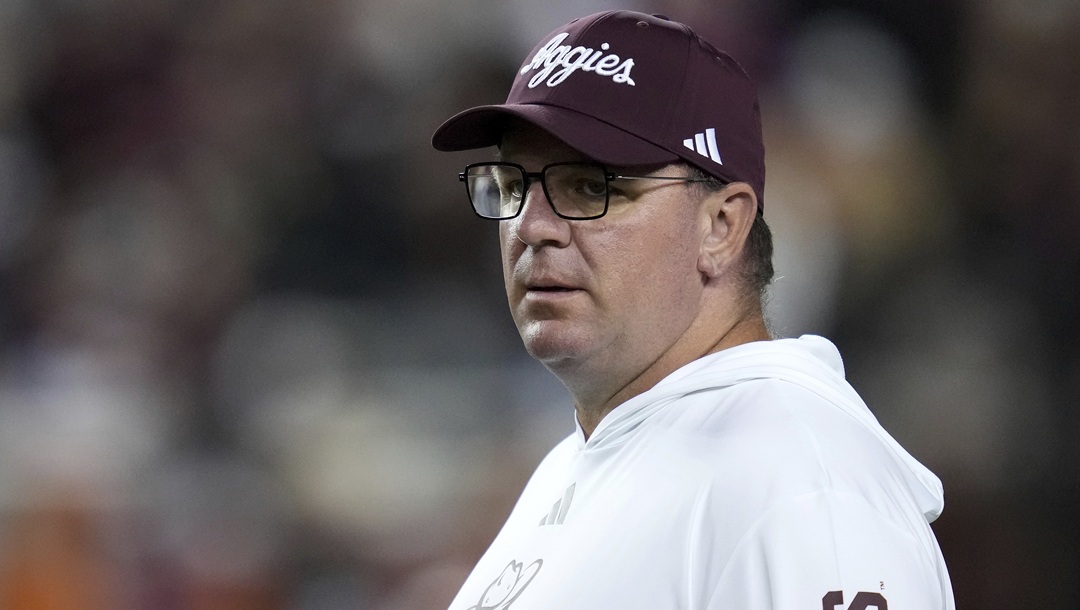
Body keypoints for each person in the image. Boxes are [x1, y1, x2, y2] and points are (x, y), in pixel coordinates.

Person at [431, 10, 954, 610]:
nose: (531, 226)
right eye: (514, 185)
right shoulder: (582, 460)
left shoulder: (801, 483)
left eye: (590, 186)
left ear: (721, 226)